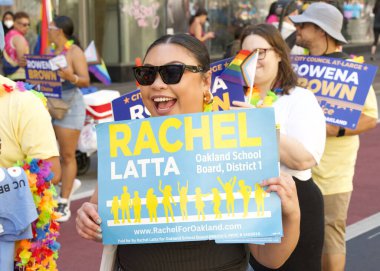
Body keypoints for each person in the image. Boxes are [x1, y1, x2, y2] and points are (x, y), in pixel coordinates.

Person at [76, 33, 301, 270]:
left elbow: (270, 258)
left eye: (172, 73)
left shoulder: (238, 143)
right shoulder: (123, 146)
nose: (157, 84)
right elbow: (102, 221)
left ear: (205, 81)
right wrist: (89, 219)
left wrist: (292, 214)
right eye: (147, 74)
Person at [290, 3, 378, 271]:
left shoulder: (352, 71)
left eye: (303, 25)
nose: (298, 29)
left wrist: (332, 130)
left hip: (333, 174)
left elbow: (371, 117)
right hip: (295, 167)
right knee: (296, 235)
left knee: (331, 236)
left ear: (320, 30)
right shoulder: (295, 65)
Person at [237, 23, 326, 271]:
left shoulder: (299, 99)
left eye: (261, 52)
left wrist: (259, 123)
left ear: (278, 53)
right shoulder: (232, 99)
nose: (254, 59)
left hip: (293, 199)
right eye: (245, 54)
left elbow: (304, 159)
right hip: (245, 201)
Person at [46, 15, 90, 222]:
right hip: (51, 103)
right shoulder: (50, 51)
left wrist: (69, 76)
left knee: (67, 154)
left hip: (71, 104)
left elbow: (85, 80)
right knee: (50, 152)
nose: (48, 30)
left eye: (51, 27)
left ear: (60, 31)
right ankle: (68, 183)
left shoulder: (74, 52)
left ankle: (64, 201)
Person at [2, 11, 30, 81]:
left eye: (28, 25)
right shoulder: (19, 38)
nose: (27, 27)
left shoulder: (8, 35)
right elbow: (22, 61)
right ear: (15, 23)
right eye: (24, 25)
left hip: (9, 75)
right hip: (20, 77)